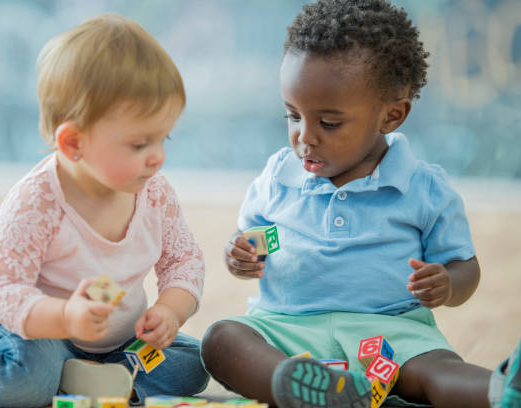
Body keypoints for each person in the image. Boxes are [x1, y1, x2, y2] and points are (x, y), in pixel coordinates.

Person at [200, 1, 521, 408]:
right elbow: (251, 239)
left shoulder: (423, 189)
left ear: (391, 116)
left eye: (329, 123)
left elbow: (465, 269)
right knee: (221, 339)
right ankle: (297, 386)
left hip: (391, 332)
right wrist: (239, 255)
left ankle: (502, 390)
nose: (305, 137)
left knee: (435, 370)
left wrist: (447, 283)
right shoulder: (278, 176)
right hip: (286, 330)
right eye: (292, 115)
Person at [0, 13, 209, 407]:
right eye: (140, 145)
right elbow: (4, 292)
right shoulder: (36, 202)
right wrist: (67, 317)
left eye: (163, 138)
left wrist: (170, 311)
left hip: (113, 343)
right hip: (29, 330)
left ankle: (79, 381)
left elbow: (183, 259)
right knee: (22, 382)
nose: (158, 158)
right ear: (73, 144)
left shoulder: (153, 192)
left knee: (194, 366)